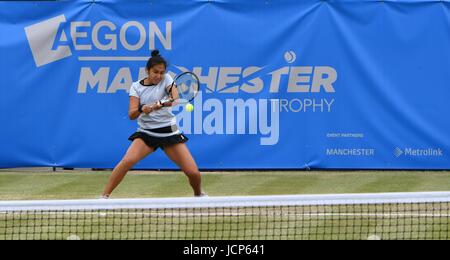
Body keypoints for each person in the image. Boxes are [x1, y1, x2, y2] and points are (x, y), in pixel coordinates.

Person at [102, 50, 206, 198]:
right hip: (147, 134)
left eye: (161, 72)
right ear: (147, 70)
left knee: (193, 173)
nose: (158, 75)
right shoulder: (136, 87)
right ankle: (104, 197)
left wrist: (161, 104)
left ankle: (198, 196)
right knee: (127, 161)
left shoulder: (167, 79)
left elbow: (175, 98)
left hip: (169, 133)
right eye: (155, 72)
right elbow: (132, 114)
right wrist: (142, 109)